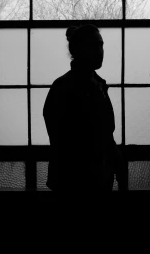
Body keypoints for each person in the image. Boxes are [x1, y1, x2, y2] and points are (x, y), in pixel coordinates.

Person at [43, 23, 127, 202]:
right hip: (76, 184)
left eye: (101, 45)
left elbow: (106, 136)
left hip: (98, 179)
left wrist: (116, 165)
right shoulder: (64, 88)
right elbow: (62, 142)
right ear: (78, 50)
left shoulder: (97, 85)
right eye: (93, 46)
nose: (99, 50)